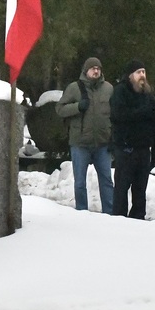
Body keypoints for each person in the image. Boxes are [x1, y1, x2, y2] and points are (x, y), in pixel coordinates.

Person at [56, 57, 114, 213]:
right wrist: (77, 107)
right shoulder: (74, 88)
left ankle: (110, 214)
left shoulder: (109, 89)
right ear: (85, 70)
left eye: (98, 68)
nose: (96, 71)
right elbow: (60, 109)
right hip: (80, 143)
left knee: (107, 181)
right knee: (80, 182)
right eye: (92, 68)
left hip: (103, 143)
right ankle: (82, 213)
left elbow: (115, 114)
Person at [110, 60, 155, 220]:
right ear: (130, 76)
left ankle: (138, 217)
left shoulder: (146, 93)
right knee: (122, 187)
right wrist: (143, 113)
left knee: (140, 189)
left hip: (143, 149)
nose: (142, 75)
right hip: (126, 148)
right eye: (138, 72)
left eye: (144, 72)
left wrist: (151, 114)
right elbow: (119, 116)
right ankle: (119, 218)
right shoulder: (120, 91)